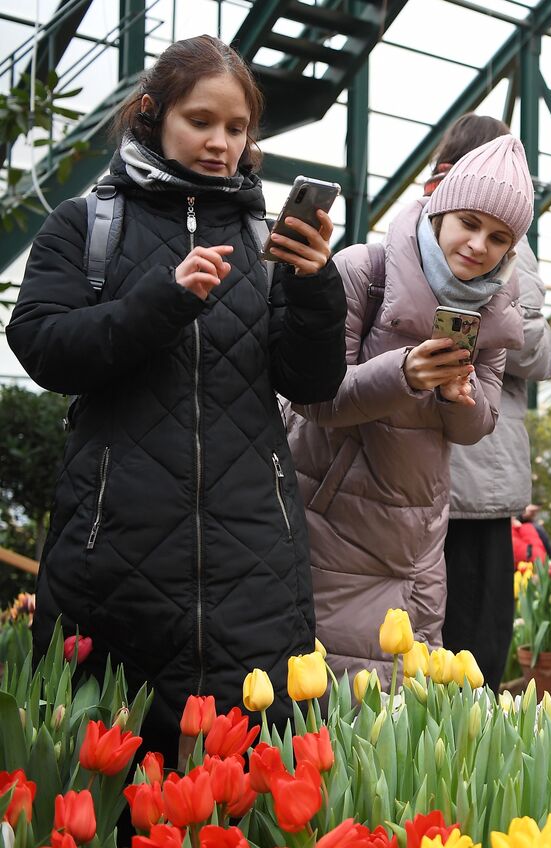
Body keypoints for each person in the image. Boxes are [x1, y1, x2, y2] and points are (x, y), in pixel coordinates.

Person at [6, 36, 347, 759]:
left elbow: (312, 384)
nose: (220, 143)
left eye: (236, 127)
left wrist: (318, 287)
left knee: (243, 796)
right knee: (114, 790)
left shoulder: (265, 239)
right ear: (154, 114)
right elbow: (43, 347)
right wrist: (160, 300)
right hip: (114, 558)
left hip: (253, 560)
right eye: (201, 121)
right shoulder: (88, 224)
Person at [285, 135, 529, 682]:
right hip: (333, 522)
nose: (479, 245)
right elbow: (316, 397)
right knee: (325, 701)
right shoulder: (362, 272)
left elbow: (478, 425)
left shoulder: (492, 312)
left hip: (420, 539)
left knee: (398, 716)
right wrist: (404, 375)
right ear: (440, 209)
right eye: (469, 221)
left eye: (499, 238)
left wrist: (456, 400)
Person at [434, 115, 551, 691]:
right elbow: (537, 354)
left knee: (449, 633)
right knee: (471, 636)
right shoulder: (504, 247)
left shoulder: (435, 228)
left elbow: (542, 359)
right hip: (472, 466)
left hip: (449, 462)